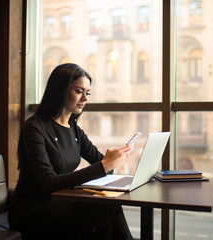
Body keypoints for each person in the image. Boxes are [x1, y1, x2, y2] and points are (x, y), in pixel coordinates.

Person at [8, 63, 134, 240]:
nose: (85, 98)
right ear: (60, 90)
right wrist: (105, 165)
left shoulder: (73, 128)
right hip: (32, 208)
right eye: (79, 91)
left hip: (60, 201)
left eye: (87, 93)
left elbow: (101, 164)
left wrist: (113, 159)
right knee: (102, 211)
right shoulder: (35, 128)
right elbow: (48, 182)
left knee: (107, 210)